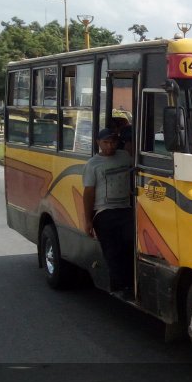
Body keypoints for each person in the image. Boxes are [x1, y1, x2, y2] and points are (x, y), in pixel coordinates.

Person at [83, 128, 134, 299]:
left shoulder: (125, 157)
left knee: (129, 245)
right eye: (106, 142)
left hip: (125, 209)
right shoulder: (92, 164)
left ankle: (129, 284)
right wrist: (88, 220)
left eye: (112, 142)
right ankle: (119, 285)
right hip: (103, 212)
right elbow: (88, 193)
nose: (109, 146)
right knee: (112, 250)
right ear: (98, 142)